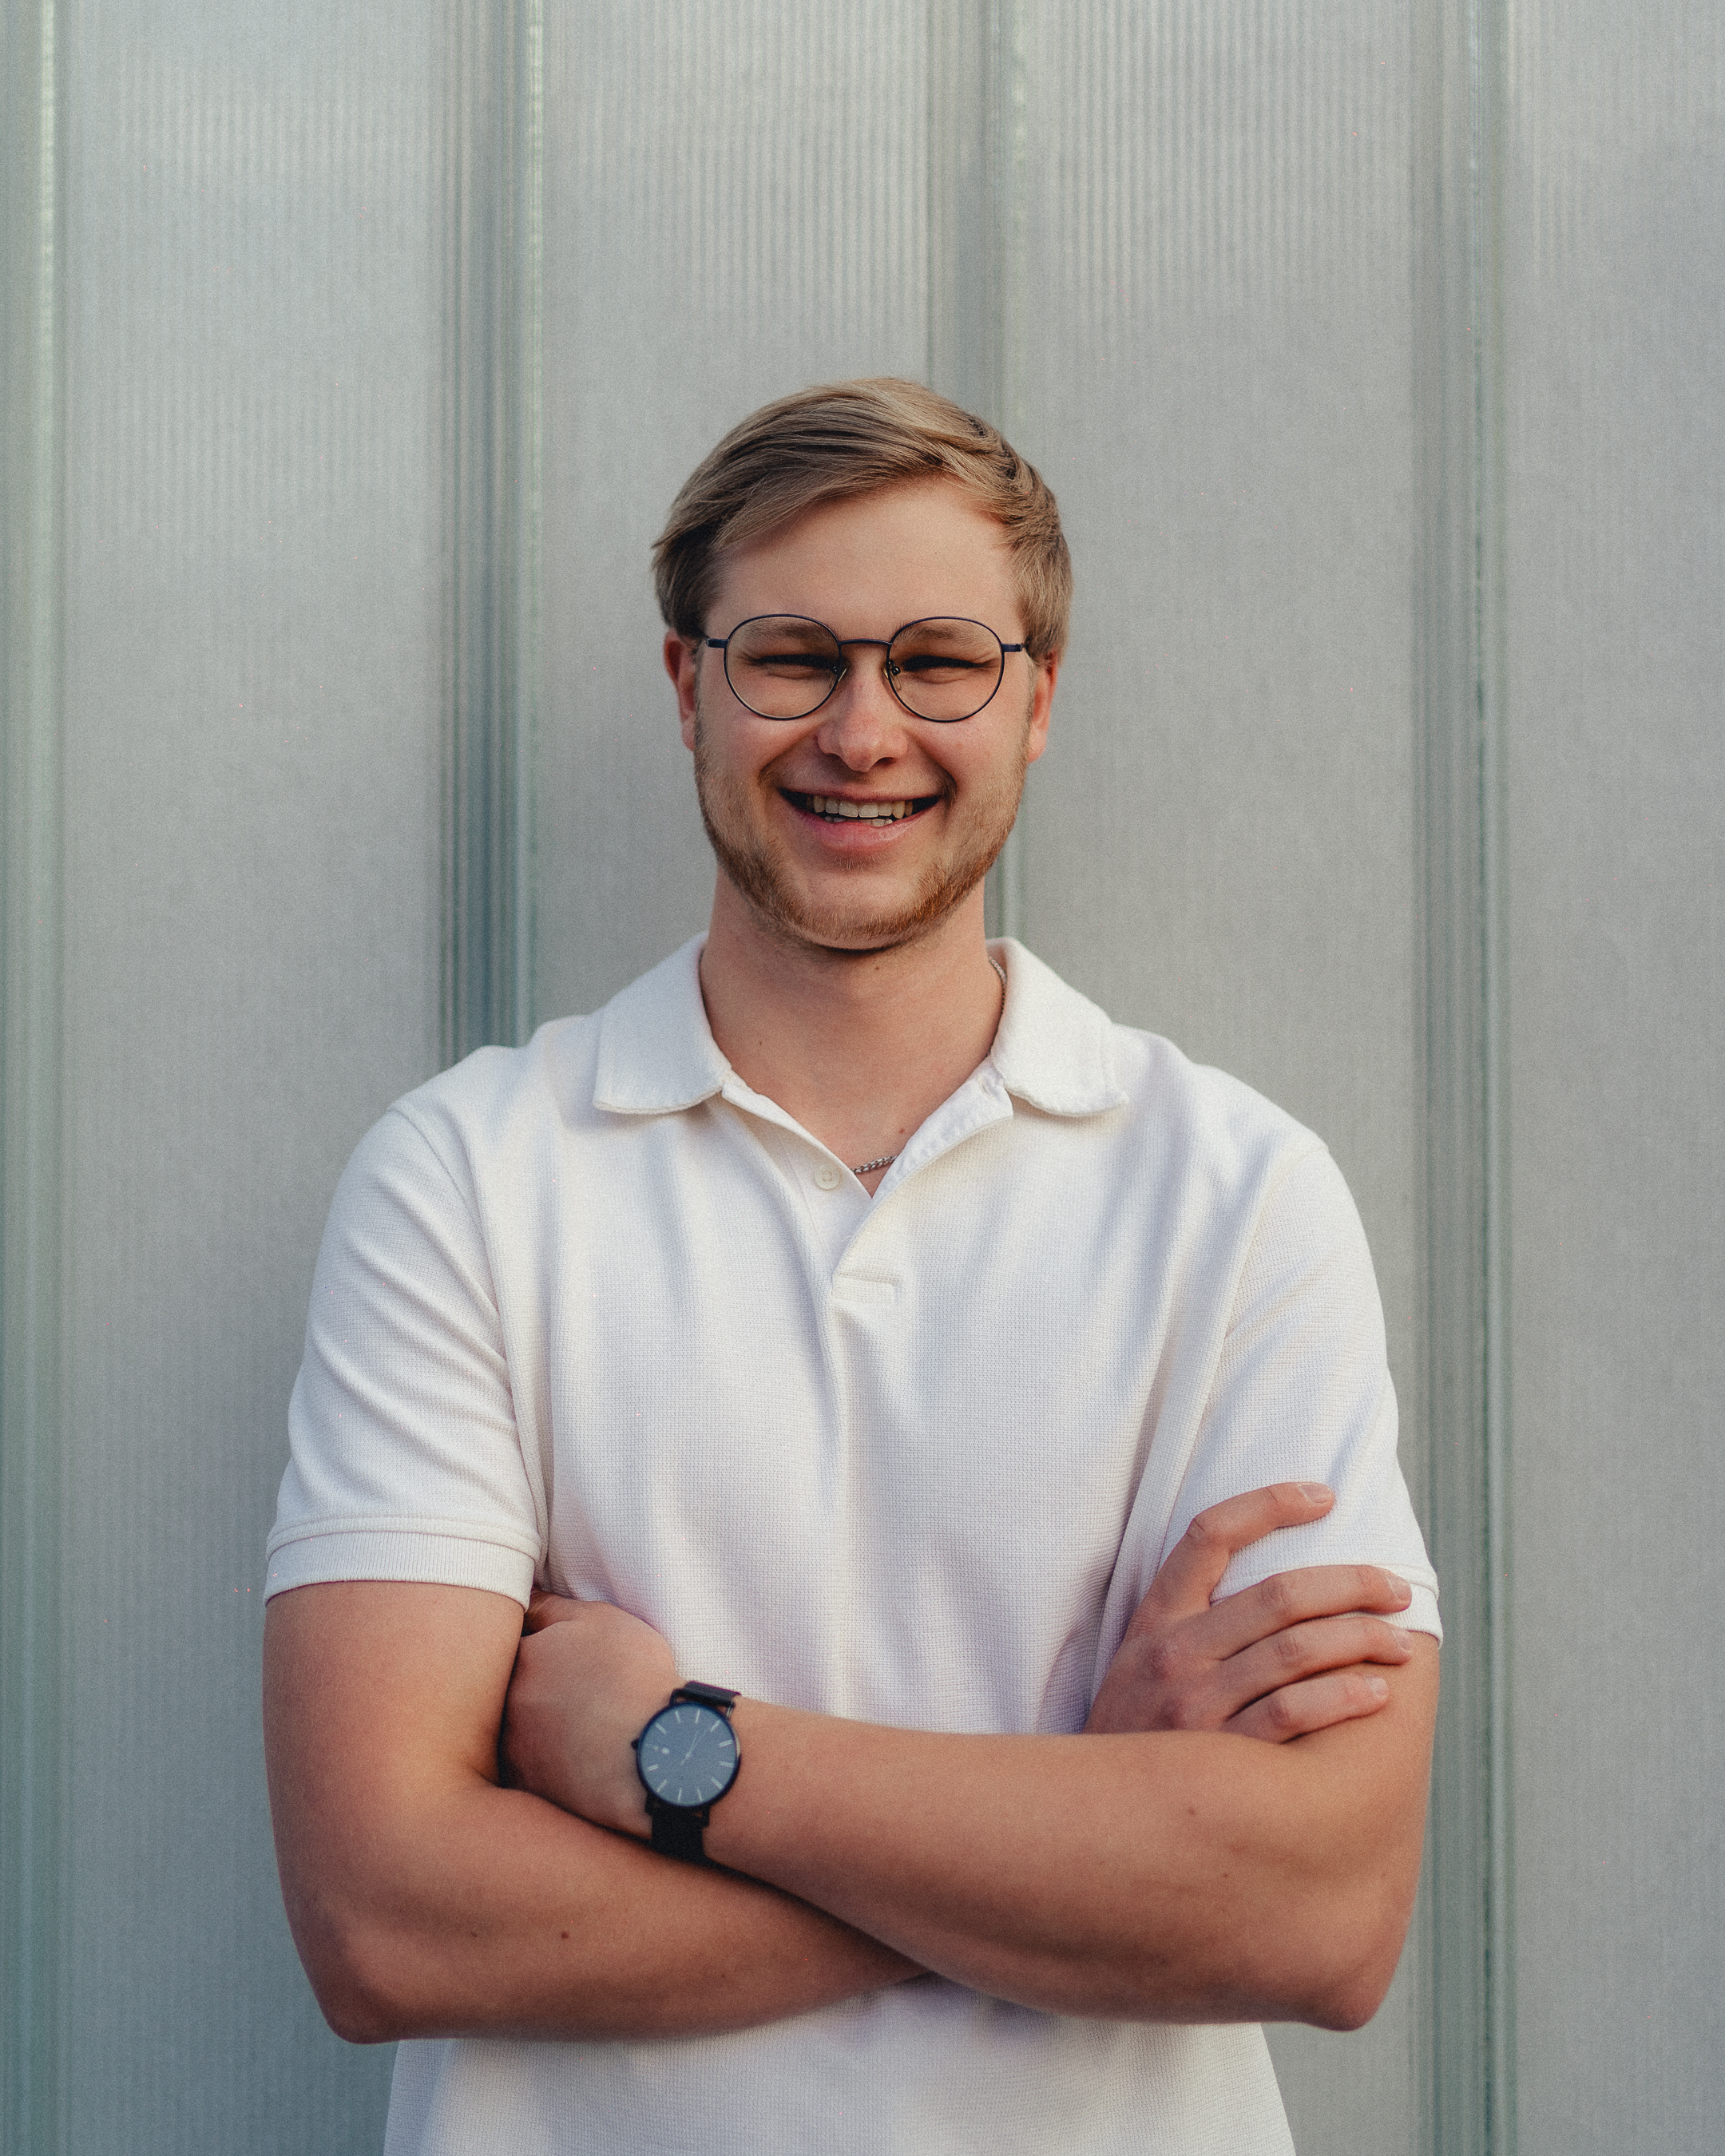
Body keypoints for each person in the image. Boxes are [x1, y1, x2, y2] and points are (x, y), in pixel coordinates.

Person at [264, 378, 1440, 2156]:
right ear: (690, 690)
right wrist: (1086, 1822)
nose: (863, 730)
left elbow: (1321, 1920)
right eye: (793, 658)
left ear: (1038, 701)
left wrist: (677, 1752)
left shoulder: (1241, 1196)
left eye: (941, 661)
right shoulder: (467, 1181)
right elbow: (384, 1921)